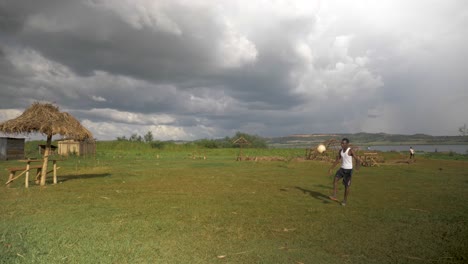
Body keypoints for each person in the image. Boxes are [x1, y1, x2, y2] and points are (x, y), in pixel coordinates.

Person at [328, 138, 360, 206]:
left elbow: (357, 159)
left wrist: (357, 167)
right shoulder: (341, 151)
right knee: (335, 180)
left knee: (346, 186)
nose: (341, 144)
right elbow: (338, 160)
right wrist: (331, 168)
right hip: (342, 169)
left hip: (348, 171)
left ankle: (344, 201)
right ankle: (334, 195)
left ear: (347, 144)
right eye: (341, 143)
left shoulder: (350, 151)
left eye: (343, 143)